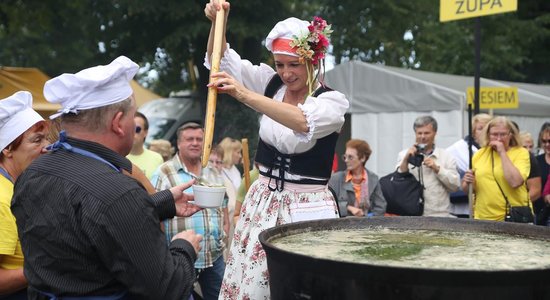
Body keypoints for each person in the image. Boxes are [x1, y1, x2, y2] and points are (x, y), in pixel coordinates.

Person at [11, 56, 203, 299]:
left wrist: (160, 203)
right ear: (118, 124)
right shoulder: (120, 192)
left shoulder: (33, 174)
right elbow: (167, 289)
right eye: (134, 117)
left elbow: (83, 225)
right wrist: (184, 247)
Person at [204, 2, 349, 298]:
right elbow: (216, 59)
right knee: (255, 283)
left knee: (301, 285)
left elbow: (301, 122)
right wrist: (220, 22)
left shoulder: (331, 102)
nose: (285, 73)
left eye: (293, 64)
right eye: (280, 64)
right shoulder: (269, 84)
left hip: (307, 205)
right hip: (263, 201)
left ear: (313, 61)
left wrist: (244, 95)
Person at [151, 122, 228, 300]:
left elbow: (224, 203)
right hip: (180, 256)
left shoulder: (213, 171)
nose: (195, 143)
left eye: (199, 139)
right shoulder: (164, 173)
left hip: (213, 254)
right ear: (178, 143)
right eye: (189, 139)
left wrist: (224, 231)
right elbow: (152, 212)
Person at [0, 91, 49, 299]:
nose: (47, 147)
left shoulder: (17, 186)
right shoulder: (3, 199)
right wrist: (51, 266)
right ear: (8, 149)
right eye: (37, 140)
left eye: (47, 138)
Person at [462, 116, 531, 221]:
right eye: (494, 134)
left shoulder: (521, 153)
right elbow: (470, 189)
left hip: (511, 217)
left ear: (510, 135)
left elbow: (515, 182)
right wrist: (467, 182)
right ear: (488, 135)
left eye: (503, 134)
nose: (499, 138)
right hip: (483, 217)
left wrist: (502, 152)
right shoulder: (479, 154)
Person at [397, 115, 460, 217]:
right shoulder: (404, 154)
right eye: (419, 133)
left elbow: (455, 186)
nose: (422, 137)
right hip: (410, 215)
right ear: (415, 134)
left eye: (426, 133)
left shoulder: (446, 156)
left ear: (435, 133)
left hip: (439, 216)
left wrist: (437, 169)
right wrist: (406, 159)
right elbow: (398, 180)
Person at [446, 113, 492, 218]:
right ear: (473, 132)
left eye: (487, 128)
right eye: (480, 128)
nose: (484, 132)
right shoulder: (458, 149)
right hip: (463, 208)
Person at [328, 139, 386, 217]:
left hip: (367, 226)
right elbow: (329, 205)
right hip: (343, 226)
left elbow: (381, 208)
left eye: (350, 157)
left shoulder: (373, 179)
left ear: (363, 158)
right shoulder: (336, 179)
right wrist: (348, 208)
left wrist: (367, 217)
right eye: (345, 157)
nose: (346, 160)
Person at [126, 111, 164, 178]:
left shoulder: (157, 158)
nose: (132, 133)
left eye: (137, 129)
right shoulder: (117, 157)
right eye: (129, 128)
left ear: (146, 133)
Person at [534, 122, 550, 225]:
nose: (547, 144)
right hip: (540, 214)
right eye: (544, 141)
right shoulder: (536, 161)